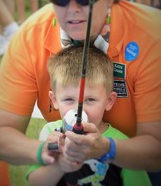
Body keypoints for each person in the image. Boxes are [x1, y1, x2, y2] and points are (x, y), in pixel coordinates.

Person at [0, 0, 161, 185]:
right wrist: (45, 151)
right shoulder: (28, 37)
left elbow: (156, 151)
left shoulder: (153, 35)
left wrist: (106, 148)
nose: (73, 8)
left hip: (141, 165)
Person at [26, 45, 151, 186]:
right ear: (54, 100)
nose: (79, 111)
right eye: (68, 99)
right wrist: (59, 164)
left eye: (90, 100)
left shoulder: (121, 144)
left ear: (109, 101)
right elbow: (35, 182)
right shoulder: (50, 134)